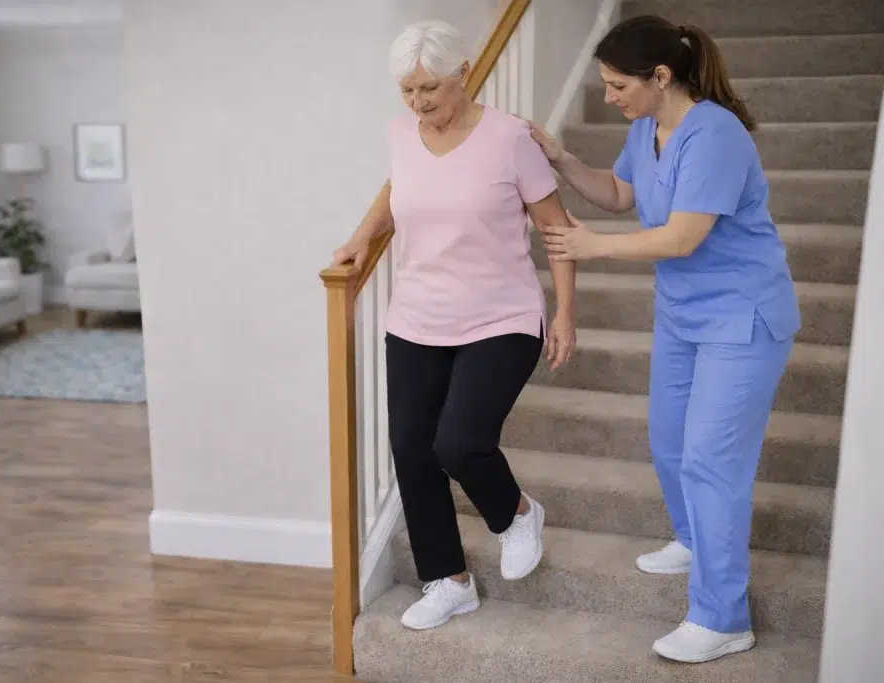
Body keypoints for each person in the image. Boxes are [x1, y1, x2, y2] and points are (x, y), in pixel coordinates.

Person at [528, 14, 800, 663]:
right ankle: (692, 536)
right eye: (604, 84)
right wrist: (563, 160)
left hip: (743, 316)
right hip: (684, 313)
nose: (609, 97)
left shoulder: (716, 135)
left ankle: (722, 614)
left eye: (618, 85)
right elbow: (622, 192)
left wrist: (592, 247)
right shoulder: (647, 126)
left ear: (660, 76)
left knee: (710, 458)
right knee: (668, 440)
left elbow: (682, 236)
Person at [331, 19, 578, 631]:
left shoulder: (510, 139)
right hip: (417, 316)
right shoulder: (401, 134)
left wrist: (566, 312)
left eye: (430, 90)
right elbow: (396, 190)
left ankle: (517, 513)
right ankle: (448, 580)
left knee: (458, 443)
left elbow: (557, 229)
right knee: (413, 451)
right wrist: (360, 240)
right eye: (408, 91)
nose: (419, 103)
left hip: (502, 316)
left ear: (464, 74)